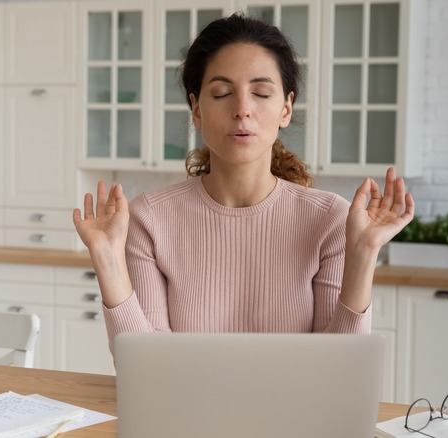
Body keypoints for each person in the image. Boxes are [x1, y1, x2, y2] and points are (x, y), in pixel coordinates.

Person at [73, 13, 414, 354]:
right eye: (221, 93)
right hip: (187, 407)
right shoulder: (150, 218)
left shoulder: (329, 220)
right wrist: (106, 258)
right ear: (196, 109)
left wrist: (364, 253)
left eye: (261, 93)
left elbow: (340, 372)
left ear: (286, 108)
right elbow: (145, 368)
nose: (242, 109)